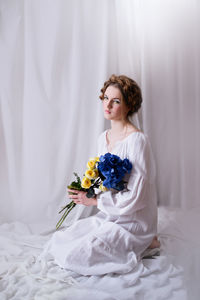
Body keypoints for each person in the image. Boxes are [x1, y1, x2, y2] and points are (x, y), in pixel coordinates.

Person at [41, 74, 160, 276]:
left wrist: (96, 201)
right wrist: (85, 191)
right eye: (106, 98)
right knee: (63, 239)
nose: (108, 105)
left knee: (77, 257)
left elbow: (137, 195)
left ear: (129, 105)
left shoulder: (137, 140)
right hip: (111, 214)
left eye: (116, 101)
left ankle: (147, 238)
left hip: (133, 219)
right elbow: (103, 179)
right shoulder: (102, 138)